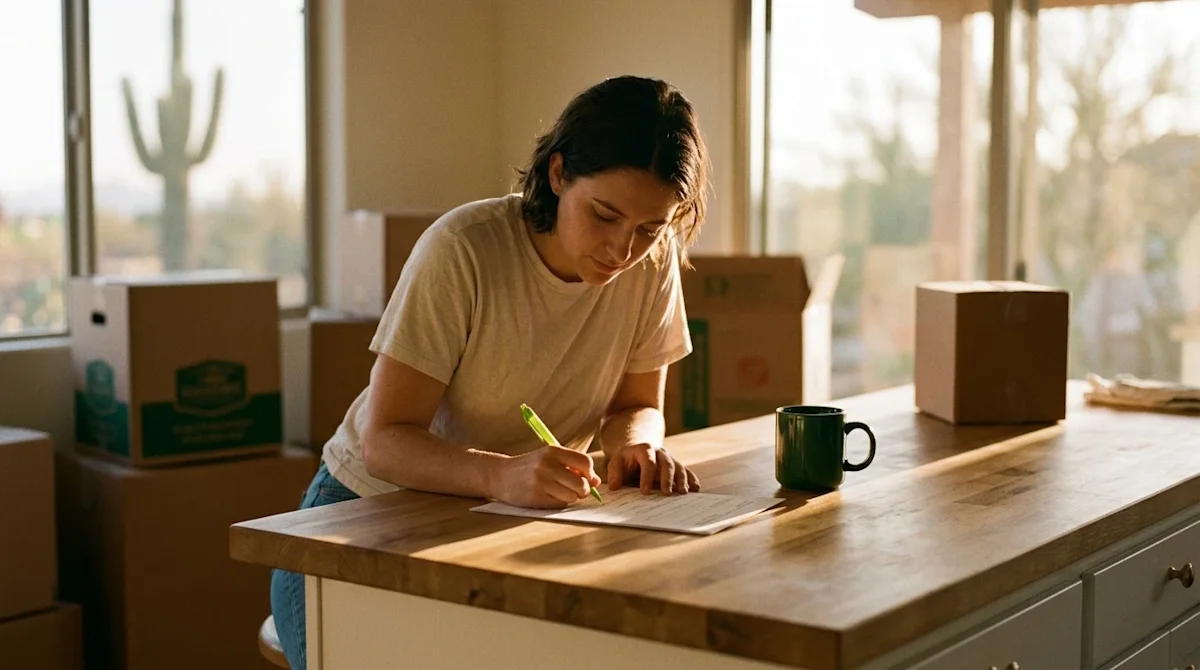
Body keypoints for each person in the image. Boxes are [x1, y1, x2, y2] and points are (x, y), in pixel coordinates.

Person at [269, 74, 710, 670]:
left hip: (502, 524)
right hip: (363, 517)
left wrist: (635, 446)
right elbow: (385, 442)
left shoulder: (652, 265)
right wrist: (503, 477)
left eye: (649, 229)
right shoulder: (465, 249)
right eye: (604, 216)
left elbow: (635, 407)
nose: (621, 250)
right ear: (558, 175)